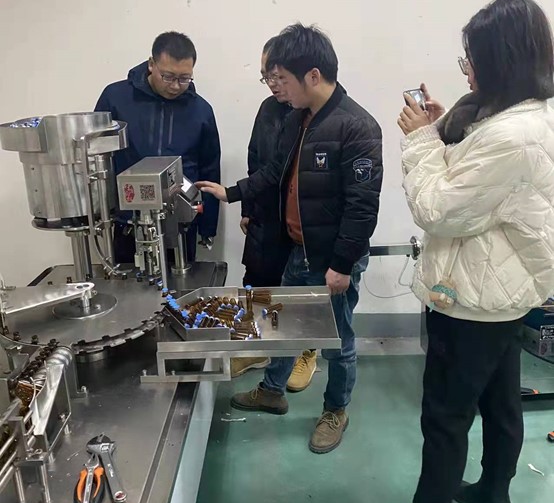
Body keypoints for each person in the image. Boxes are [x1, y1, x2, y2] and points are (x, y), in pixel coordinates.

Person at [366, 0, 554, 503]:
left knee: (445, 416)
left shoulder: (509, 136)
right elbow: (478, 181)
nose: (467, 68)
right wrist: (448, 125)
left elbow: (438, 208)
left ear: (501, 60)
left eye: (472, 58)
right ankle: (495, 495)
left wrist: (421, 138)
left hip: (473, 297)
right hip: (505, 291)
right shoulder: (529, 115)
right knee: (501, 400)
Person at [198, 23, 383, 454]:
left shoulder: (357, 126)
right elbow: (272, 172)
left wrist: (341, 265)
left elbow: (362, 207)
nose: (277, 87)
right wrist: (232, 193)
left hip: (332, 258)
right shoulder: (297, 119)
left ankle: (335, 411)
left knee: (337, 342)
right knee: (280, 325)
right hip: (297, 248)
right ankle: (272, 391)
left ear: (312, 76)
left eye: (282, 78)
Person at [95, 31, 221, 264]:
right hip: (128, 222)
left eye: (184, 78)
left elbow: (209, 169)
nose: (175, 86)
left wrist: (207, 226)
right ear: (151, 64)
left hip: (180, 224)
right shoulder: (116, 98)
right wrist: (99, 212)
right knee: (129, 283)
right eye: (168, 76)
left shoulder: (201, 111)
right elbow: (98, 156)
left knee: (180, 284)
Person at [231, 37, 293, 379]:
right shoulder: (268, 109)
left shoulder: (314, 113)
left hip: (296, 220)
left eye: (278, 76)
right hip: (264, 214)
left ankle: (302, 353)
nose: (272, 84)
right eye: (266, 77)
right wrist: (248, 207)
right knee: (256, 282)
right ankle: (254, 347)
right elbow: (256, 159)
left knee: (295, 290)